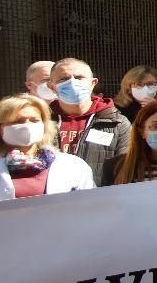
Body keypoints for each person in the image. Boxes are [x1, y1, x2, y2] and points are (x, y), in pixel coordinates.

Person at [0, 94, 95, 201]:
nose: (27, 126)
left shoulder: (73, 165)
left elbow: (91, 207)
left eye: (34, 120)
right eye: (18, 121)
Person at [48, 57, 131, 187]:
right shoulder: (40, 122)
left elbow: (125, 168)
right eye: (63, 79)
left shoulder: (117, 122)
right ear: (51, 86)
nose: (72, 83)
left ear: (93, 83)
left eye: (79, 77)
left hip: (101, 199)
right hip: (51, 201)